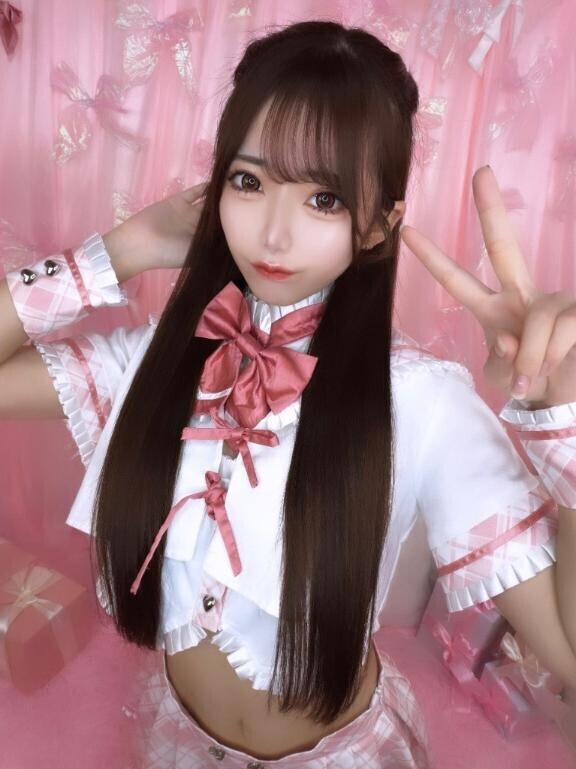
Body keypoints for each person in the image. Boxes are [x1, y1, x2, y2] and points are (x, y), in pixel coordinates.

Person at [1, 19, 575, 769]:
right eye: (249, 182)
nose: (273, 235)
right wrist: (122, 249)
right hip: (178, 742)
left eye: (324, 200)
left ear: (378, 226)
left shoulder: (423, 400)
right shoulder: (162, 359)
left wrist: (563, 414)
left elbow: (566, 648)